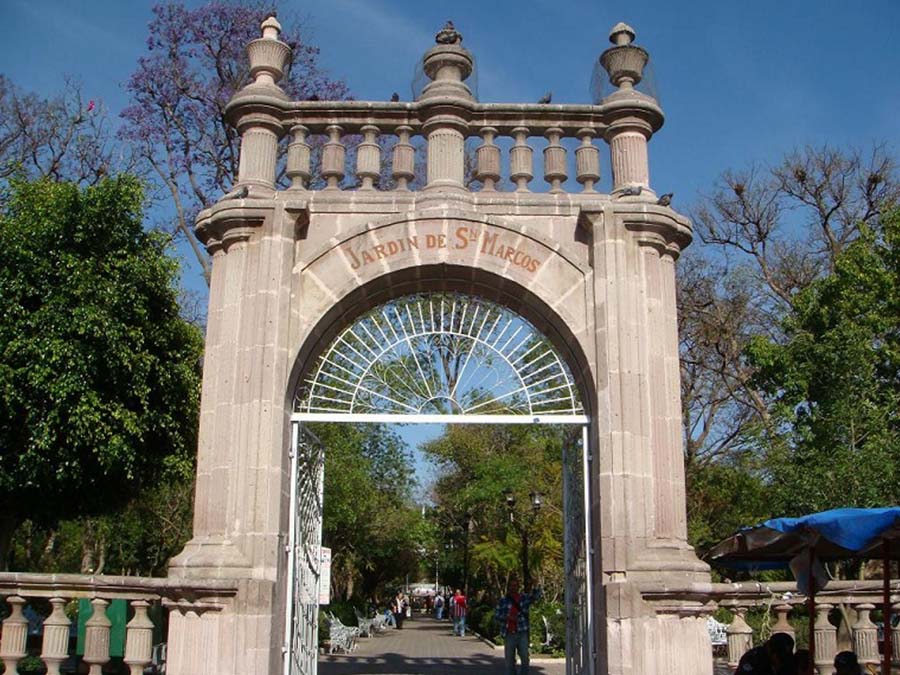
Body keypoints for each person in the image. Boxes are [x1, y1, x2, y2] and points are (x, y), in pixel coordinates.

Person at [495, 577, 542, 675]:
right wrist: (507, 617)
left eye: (516, 585)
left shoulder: (524, 598)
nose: (514, 588)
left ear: (518, 587)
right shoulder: (503, 601)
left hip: (522, 632)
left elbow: (536, 597)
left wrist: (535, 585)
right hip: (509, 633)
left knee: (525, 658)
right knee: (509, 660)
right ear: (509, 587)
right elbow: (496, 616)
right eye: (512, 586)